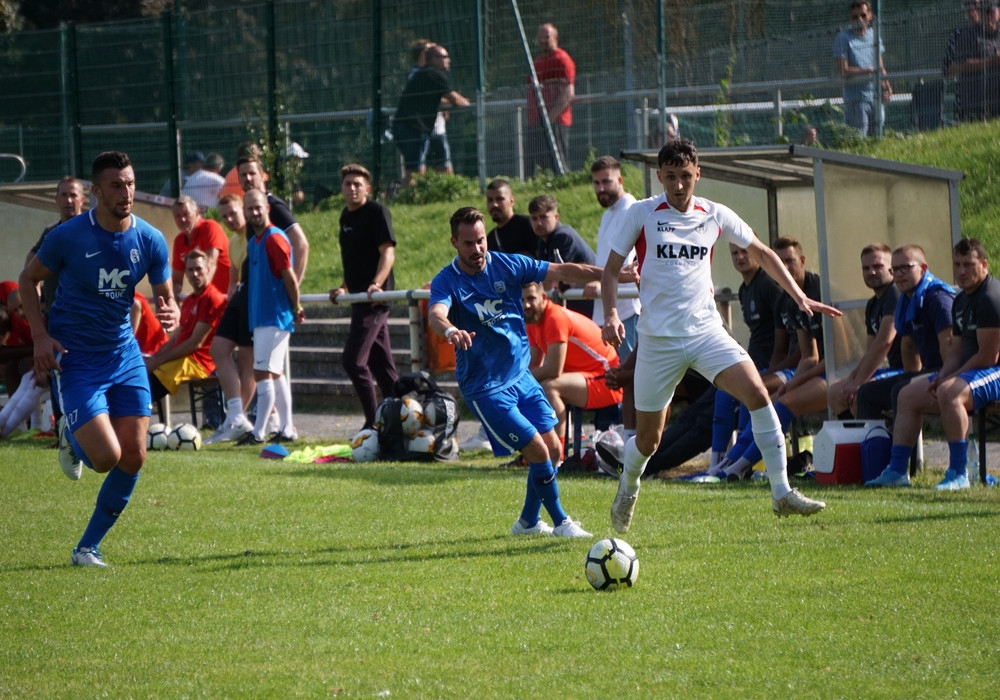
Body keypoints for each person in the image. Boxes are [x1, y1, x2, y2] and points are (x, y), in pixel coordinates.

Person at [600, 139, 838, 532]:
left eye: (686, 176)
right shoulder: (641, 214)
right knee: (648, 441)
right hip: (658, 341)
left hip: (706, 332)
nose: (679, 185)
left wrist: (799, 296)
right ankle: (629, 485)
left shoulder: (714, 213)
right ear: (659, 177)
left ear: (698, 174)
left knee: (757, 393)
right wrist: (611, 314)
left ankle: (781, 491)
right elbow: (610, 271)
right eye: (671, 177)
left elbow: (762, 252)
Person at [428, 207, 634, 538]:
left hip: (521, 377)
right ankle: (562, 523)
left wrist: (612, 273)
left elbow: (565, 269)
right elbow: (437, 313)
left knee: (553, 450)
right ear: (454, 242)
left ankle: (527, 522)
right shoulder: (447, 280)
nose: (477, 249)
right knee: (537, 451)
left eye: (480, 240)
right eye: (468, 243)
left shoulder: (507, 264)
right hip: (486, 388)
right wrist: (451, 330)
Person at [18, 150, 180, 567]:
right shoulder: (69, 236)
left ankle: (87, 548)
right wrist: (40, 337)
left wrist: (171, 311)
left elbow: (166, 296)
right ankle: (70, 435)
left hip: (124, 354)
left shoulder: (149, 239)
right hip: (76, 358)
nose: (126, 193)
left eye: (130, 184)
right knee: (106, 458)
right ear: (96, 191)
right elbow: (27, 279)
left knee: (134, 454)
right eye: (116, 185)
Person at [866, 238, 1000, 490]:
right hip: (973, 371)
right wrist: (943, 375)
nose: (961, 271)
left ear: (984, 265)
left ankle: (959, 473)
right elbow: (955, 351)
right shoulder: (961, 300)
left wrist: (948, 379)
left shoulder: (990, 297)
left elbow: (988, 357)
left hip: (994, 370)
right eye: (957, 265)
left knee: (949, 392)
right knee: (906, 395)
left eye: (968, 264)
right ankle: (897, 471)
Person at [328, 164, 400, 431]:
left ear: (367, 188)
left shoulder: (377, 212)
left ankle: (373, 422)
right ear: (341, 188)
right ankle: (401, 420)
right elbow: (354, 259)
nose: (352, 188)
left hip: (374, 302)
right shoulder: (345, 216)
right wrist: (343, 288)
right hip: (358, 299)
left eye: (357, 184)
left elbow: (387, 252)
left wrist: (376, 285)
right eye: (348, 183)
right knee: (382, 367)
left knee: (353, 361)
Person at [235, 189, 305, 446]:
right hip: (263, 316)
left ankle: (259, 432)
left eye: (258, 207)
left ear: (267, 208)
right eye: (249, 208)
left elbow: (289, 277)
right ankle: (287, 429)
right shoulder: (254, 241)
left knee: (261, 372)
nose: (254, 212)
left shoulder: (274, 238)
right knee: (275, 374)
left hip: (274, 316)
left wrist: (296, 308)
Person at [523, 280, 622, 457]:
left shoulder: (554, 318)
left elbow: (553, 370)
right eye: (522, 300)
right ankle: (533, 450)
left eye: (531, 298)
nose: (526, 305)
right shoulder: (533, 320)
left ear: (543, 297)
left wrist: (517, 380)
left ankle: (556, 453)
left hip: (608, 380)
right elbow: (534, 366)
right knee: (529, 388)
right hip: (585, 377)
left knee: (549, 387)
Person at [855, 244, 955, 421]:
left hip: (950, 372)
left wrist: (945, 380)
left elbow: (950, 344)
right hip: (929, 371)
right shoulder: (908, 299)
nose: (899, 274)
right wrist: (910, 376)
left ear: (923, 269)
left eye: (906, 268)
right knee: (866, 393)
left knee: (900, 392)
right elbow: (908, 345)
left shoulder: (937, 298)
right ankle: (874, 439)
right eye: (896, 269)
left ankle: (904, 441)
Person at [827, 243, 902, 417]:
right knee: (835, 393)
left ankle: (879, 434)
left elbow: (884, 341)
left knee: (860, 395)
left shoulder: (896, 294)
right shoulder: (872, 304)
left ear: (891, 268)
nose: (871, 272)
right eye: (866, 268)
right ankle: (860, 434)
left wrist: (859, 382)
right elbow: (870, 351)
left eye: (877, 266)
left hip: (905, 370)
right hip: (890, 370)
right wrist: (853, 377)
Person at [205, 193, 257, 444]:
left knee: (248, 362)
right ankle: (236, 416)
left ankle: (236, 418)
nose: (229, 219)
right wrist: (231, 296)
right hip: (238, 301)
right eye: (224, 216)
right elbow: (233, 279)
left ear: (243, 210)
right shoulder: (233, 242)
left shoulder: (255, 236)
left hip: (253, 300)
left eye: (233, 213)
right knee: (218, 350)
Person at [144, 249, 226, 404]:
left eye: (199, 269)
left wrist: (158, 361)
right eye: (190, 270)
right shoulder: (189, 301)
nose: (195, 274)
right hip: (184, 358)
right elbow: (176, 338)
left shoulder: (211, 298)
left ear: (208, 270)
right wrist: (154, 358)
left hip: (199, 363)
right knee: (143, 373)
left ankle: (134, 412)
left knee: (153, 382)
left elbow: (195, 343)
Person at [391, 43, 470, 184]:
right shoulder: (433, 74)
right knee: (414, 172)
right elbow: (456, 100)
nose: (448, 60)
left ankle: (421, 193)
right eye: (444, 57)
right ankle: (407, 195)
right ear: (432, 59)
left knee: (422, 168)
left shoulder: (425, 74)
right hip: (413, 128)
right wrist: (471, 104)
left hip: (407, 127)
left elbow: (437, 99)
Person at [585, 156, 639, 359]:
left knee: (631, 373)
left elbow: (627, 266)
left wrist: (599, 282)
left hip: (626, 311)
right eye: (596, 183)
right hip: (608, 312)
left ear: (620, 180)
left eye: (606, 181)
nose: (601, 188)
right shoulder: (608, 214)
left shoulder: (630, 209)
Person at [237, 154, 309, 283]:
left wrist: (294, 285)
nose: (248, 178)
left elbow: (301, 244)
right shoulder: (249, 207)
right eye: (243, 175)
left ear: (262, 176)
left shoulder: (273, 206)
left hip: (275, 287)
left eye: (252, 173)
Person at [528, 194, 596, 318]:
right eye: (534, 218)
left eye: (543, 217)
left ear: (556, 217)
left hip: (588, 303)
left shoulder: (563, 236)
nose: (539, 223)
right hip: (575, 303)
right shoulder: (542, 241)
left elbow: (555, 277)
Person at [833, 1, 891, 136]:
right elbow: (843, 71)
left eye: (863, 15)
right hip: (856, 101)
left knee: (877, 138)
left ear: (870, 16)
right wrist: (868, 71)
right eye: (855, 17)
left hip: (876, 97)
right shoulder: (843, 38)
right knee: (859, 139)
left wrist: (887, 86)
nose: (859, 19)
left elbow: (880, 67)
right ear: (850, 19)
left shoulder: (874, 36)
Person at [526, 23, 575, 173]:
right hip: (537, 123)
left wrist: (549, 118)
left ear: (555, 38)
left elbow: (568, 93)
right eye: (540, 37)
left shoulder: (562, 59)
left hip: (555, 122)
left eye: (546, 37)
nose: (542, 40)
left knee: (558, 165)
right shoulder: (537, 63)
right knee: (539, 167)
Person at [942, 0, 1000, 122]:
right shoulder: (960, 35)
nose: (971, 8)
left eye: (975, 4)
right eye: (967, 4)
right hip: (970, 101)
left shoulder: (996, 32)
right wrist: (989, 62)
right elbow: (947, 68)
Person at [170, 195, 231, 298]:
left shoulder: (210, 227)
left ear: (197, 213)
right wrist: (170, 296)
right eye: (178, 216)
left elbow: (210, 265)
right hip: (208, 296)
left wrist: (201, 298)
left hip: (228, 296)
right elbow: (177, 281)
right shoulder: (179, 241)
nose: (182, 219)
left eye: (186, 214)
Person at [484, 179, 537, 258]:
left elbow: (543, 260)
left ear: (511, 200)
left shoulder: (529, 225)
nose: (494, 204)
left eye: (499, 199)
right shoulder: (491, 238)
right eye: (490, 200)